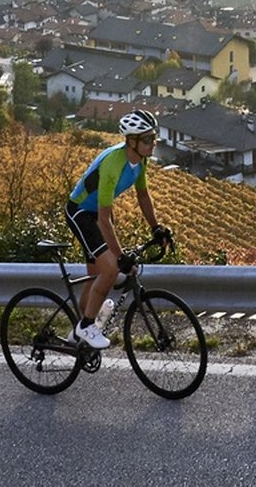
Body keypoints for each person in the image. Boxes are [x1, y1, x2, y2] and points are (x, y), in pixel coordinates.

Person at [64, 108, 170, 349]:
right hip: (81, 213)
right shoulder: (113, 163)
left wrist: (156, 228)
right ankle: (87, 326)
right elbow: (103, 219)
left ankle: (77, 332)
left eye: (154, 137)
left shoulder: (140, 161)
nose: (152, 143)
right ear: (131, 141)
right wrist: (120, 257)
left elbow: (143, 196)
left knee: (96, 274)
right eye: (147, 139)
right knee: (111, 269)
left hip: (98, 215)